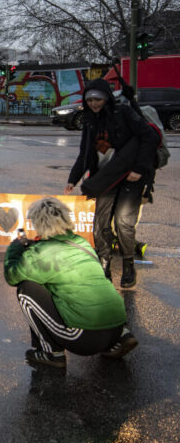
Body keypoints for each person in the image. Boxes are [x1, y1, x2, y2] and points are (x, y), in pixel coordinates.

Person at [4, 197, 138, 369]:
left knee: (26, 288)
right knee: (86, 283)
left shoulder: (41, 252)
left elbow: (12, 276)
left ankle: (52, 353)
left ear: (39, 223)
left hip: (84, 338)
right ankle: (121, 336)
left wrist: (15, 248)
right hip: (117, 326)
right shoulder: (82, 243)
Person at [64, 78, 159, 288]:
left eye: (98, 99)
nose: (94, 103)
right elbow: (85, 153)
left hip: (129, 177)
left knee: (123, 222)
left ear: (107, 98)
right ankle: (104, 265)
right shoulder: (89, 121)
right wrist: (73, 178)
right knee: (100, 224)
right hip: (103, 179)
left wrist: (138, 169)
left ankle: (127, 265)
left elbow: (149, 137)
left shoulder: (122, 113)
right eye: (89, 100)